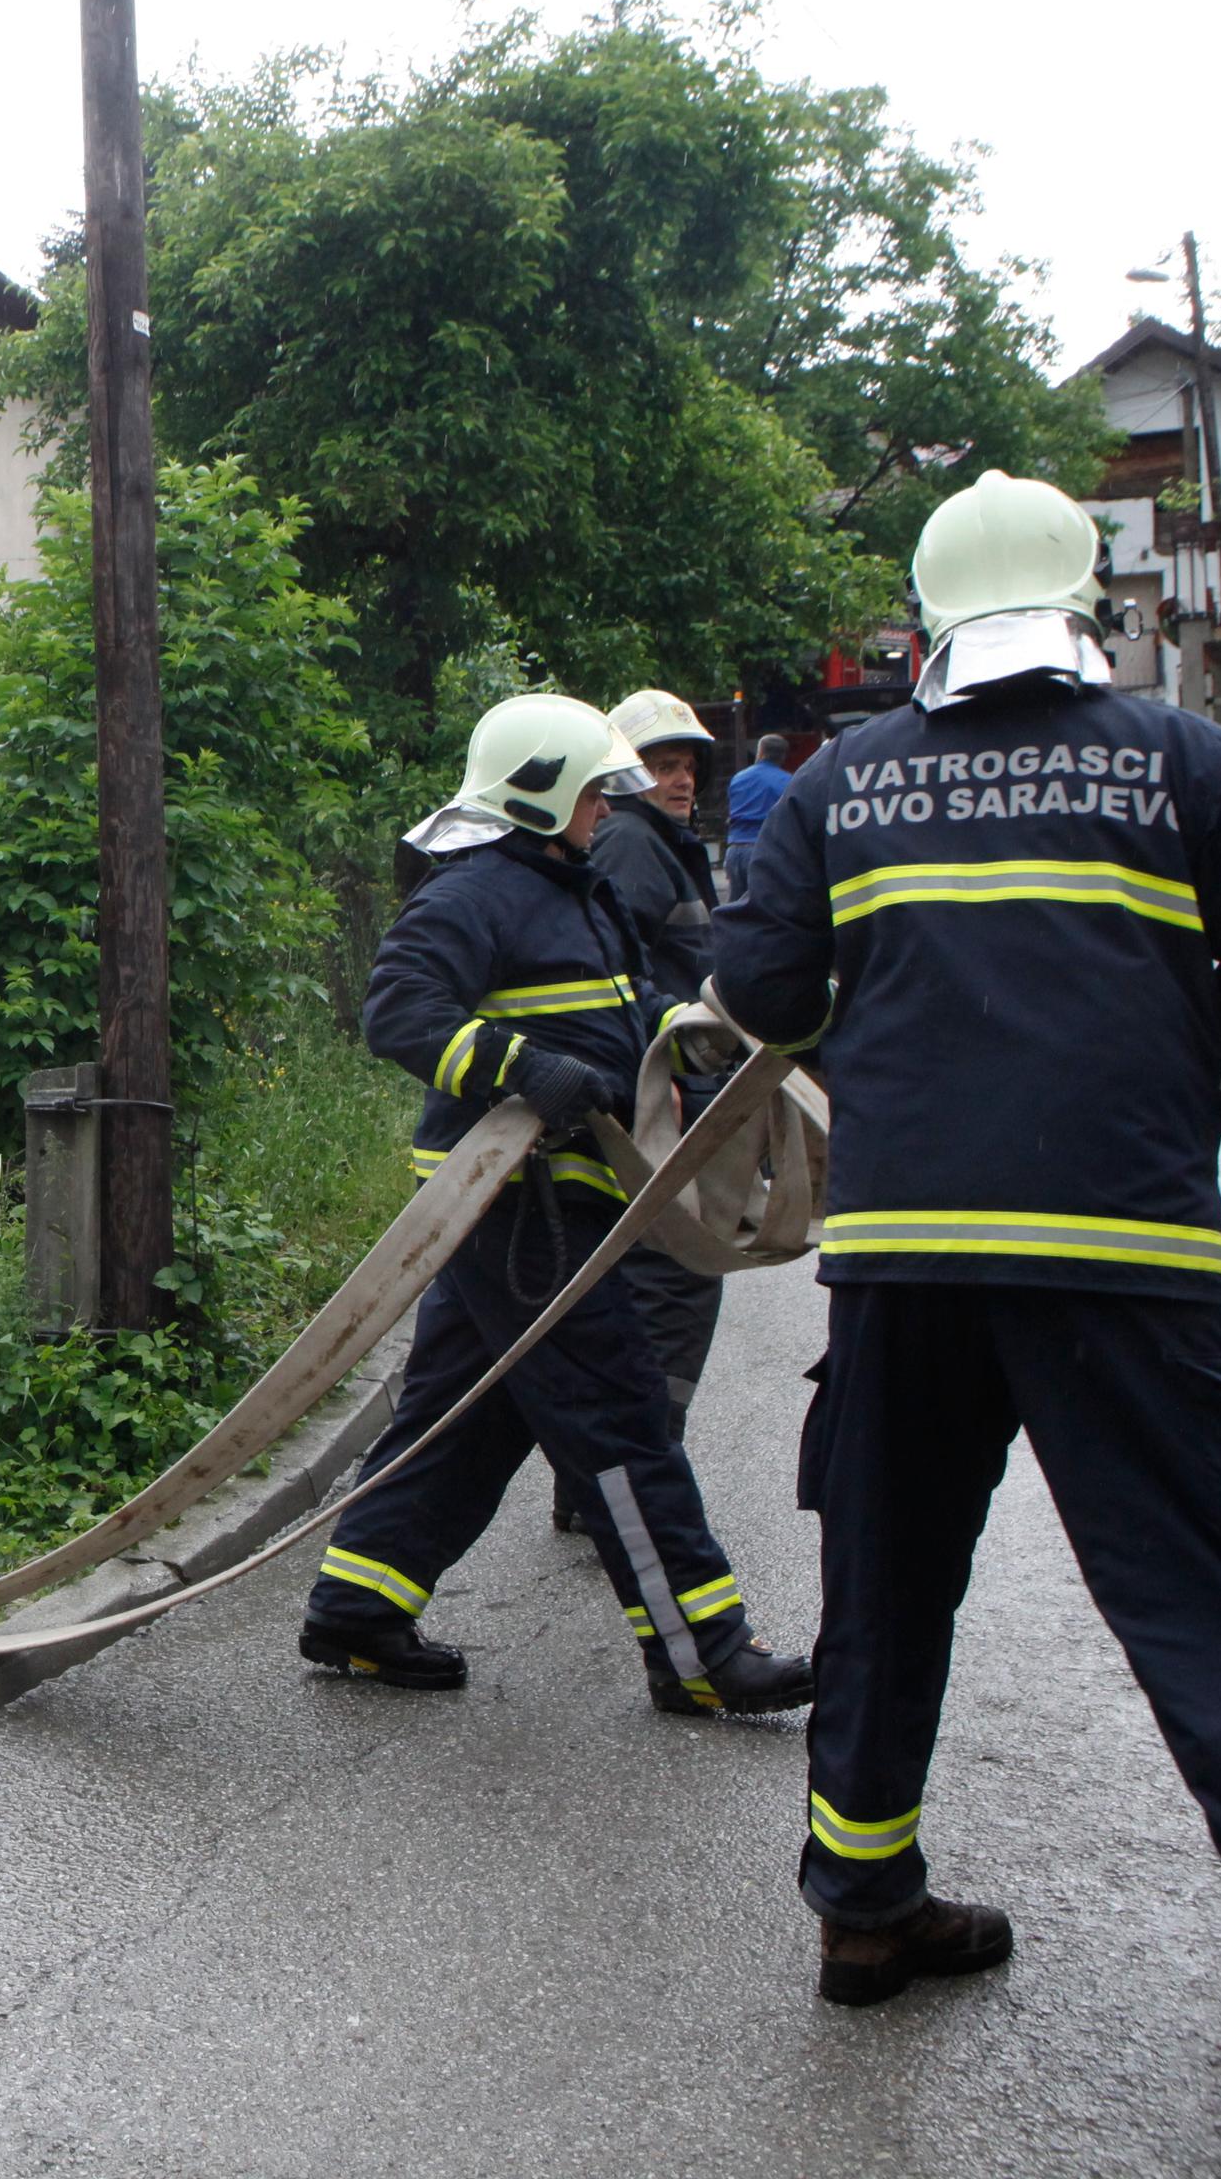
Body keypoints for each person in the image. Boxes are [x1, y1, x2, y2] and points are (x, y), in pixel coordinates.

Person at [714, 468, 1221, 2122]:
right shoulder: (1182, 760)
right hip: (1124, 1255)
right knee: (1218, 1602)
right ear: (1084, 609)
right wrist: (1195, 1104)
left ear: (925, 621)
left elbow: (759, 989)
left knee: (886, 1581)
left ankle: (860, 1913)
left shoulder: (844, 781)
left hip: (906, 1261)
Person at [301, 693, 813, 1718]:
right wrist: (526, 1068)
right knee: (619, 1415)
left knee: (471, 1412)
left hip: (559, 1198)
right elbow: (398, 1011)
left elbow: (621, 1007)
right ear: (539, 791)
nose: (605, 809)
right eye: (591, 791)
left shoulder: (574, 889)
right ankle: (701, 1649)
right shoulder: (474, 892)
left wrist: (691, 1032)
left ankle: (358, 1607)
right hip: (513, 1204)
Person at [548, 686, 727, 1535]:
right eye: (663, 764)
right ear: (623, 778)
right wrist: (666, 1070)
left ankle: (608, 1480)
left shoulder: (660, 844)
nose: (681, 777)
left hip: (676, 1099)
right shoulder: (630, 844)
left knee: (667, 1286)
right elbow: (620, 982)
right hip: (659, 1105)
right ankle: (628, 1480)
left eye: (688, 763)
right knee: (672, 1284)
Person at [721, 732, 794, 901]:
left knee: (736, 906)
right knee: (767, 905)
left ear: (760, 752)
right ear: (783, 757)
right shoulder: (788, 781)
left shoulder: (738, 778)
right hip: (764, 849)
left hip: (735, 849)